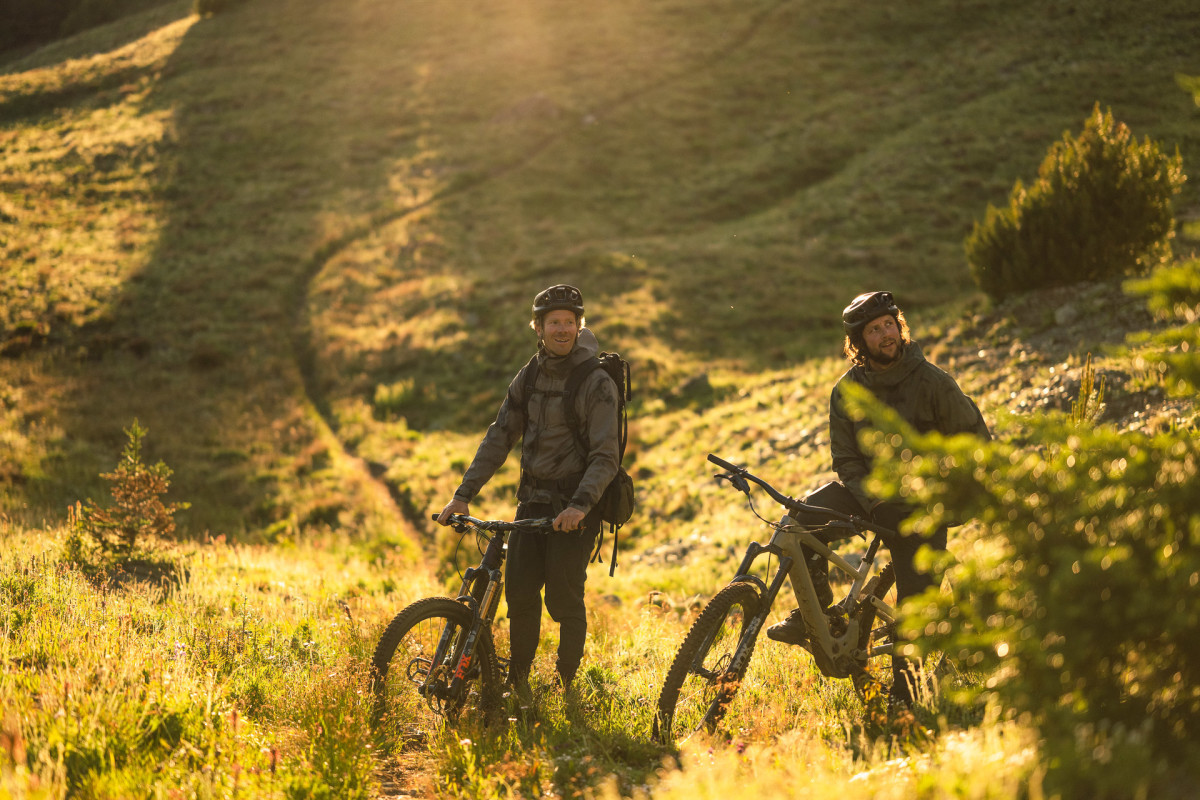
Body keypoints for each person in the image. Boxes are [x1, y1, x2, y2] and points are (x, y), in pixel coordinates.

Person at [766, 290, 990, 706]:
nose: (886, 334)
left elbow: (975, 443)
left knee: (914, 615)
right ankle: (815, 619)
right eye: (874, 329)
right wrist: (873, 500)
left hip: (923, 506)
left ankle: (905, 704)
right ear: (858, 343)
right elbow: (845, 459)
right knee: (798, 520)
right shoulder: (846, 390)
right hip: (868, 495)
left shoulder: (935, 383)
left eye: (890, 324)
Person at [437, 284, 620, 692]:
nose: (562, 329)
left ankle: (565, 685)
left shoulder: (596, 382)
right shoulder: (531, 375)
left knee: (562, 599)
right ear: (538, 327)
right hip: (531, 502)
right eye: (553, 322)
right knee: (519, 596)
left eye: (569, 322)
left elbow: (606, 456)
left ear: (579, 326)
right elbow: (500, 435)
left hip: (574, 509)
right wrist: (463, 494)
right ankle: (517, 682)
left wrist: (579, 507)